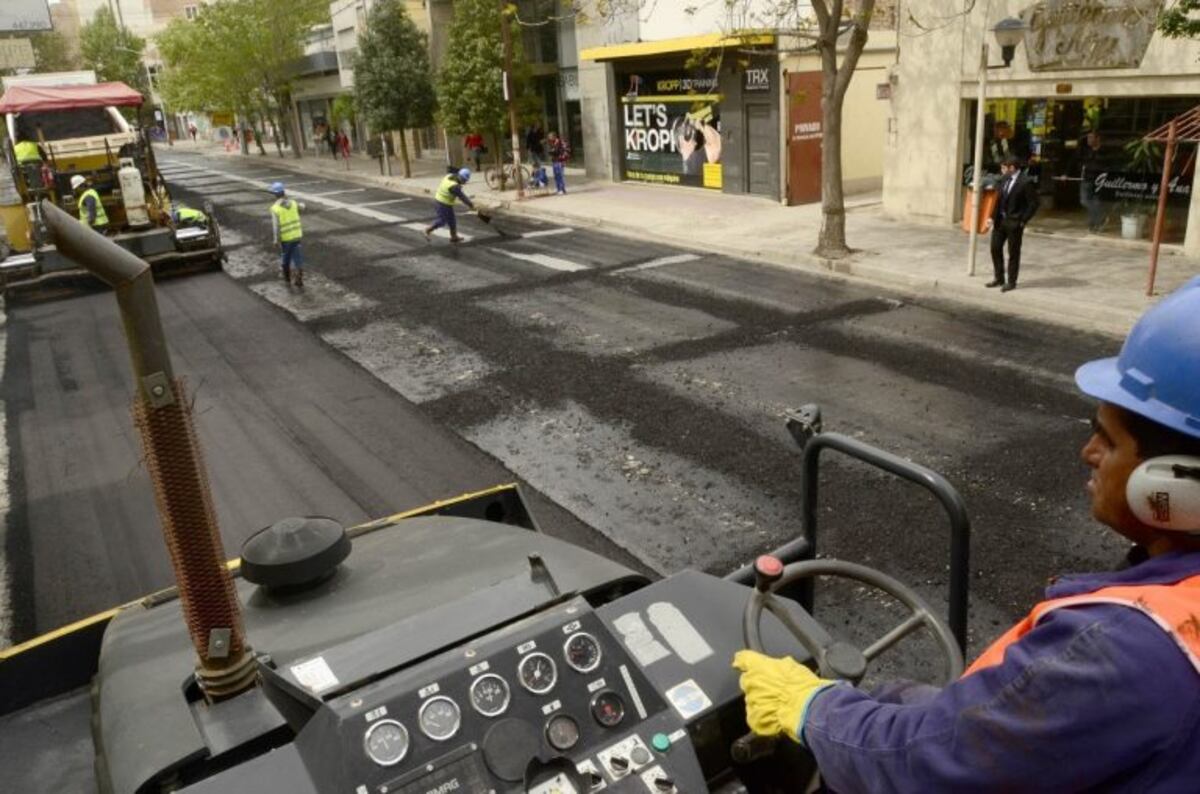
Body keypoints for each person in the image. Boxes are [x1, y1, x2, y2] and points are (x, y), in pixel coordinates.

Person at [734, 276, 1200, 792]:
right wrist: (907, 705)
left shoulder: (1118, 650)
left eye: (1109, 441)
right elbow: (990, 729)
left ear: (1178, 487)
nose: (1088, 453)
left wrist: (811, 707)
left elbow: (925, 766)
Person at [984, 154, 1038, 292]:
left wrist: (1023, 220)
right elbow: (999, 200)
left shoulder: (1025, 182)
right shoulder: (1004, 179)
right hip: (1000, 221)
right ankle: (999, 277)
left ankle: (1011, 281)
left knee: (1013, 253)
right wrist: (991, 217)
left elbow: (1033, 204)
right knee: (995, 248)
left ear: (1012, 168)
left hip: (1015, 222)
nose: (1003, 170)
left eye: (1005, 167)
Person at [268, 181, 306, 287]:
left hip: (286, 238)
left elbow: (276, 226)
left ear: (274, 194)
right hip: (297, 235)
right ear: (283, 192)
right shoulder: (293, 203)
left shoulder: (275, 208)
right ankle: (299, 274)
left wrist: (276, 240)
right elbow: (302, 207)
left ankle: (287, 277)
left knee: (286, 257)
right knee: (297, 256)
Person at [424, 167, 475, 243]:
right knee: (442, 221)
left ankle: (454, 237)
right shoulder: (454, 186)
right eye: (464, 180)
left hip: (446, 202)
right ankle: (428, 230)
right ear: (460, 177)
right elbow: (462, 197)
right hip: (441, 203)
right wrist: (471, 205)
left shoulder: (450, 176)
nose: (465, 182)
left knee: (452, 220)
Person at [1079, 130, 1105, 232]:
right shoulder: (1086, 151)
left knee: (1096, 201)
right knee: (1085, 201)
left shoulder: (1103, 151)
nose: (1089, 140)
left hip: (1099, 180)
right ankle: (1099, 219)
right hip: (1086, 179)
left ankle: (1094, 223)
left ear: (1097, 139)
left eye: (1091, 138)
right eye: (1088, 138)